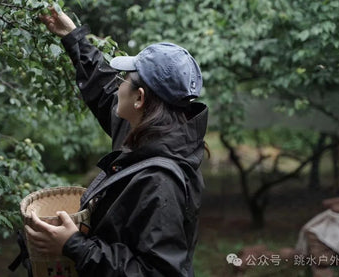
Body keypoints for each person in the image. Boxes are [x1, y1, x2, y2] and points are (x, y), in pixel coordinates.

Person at [25, 6, 209, 277]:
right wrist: (72, 36)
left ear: (139, 98)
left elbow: (156, 272)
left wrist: (74, 247)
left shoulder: (160, 182)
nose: (118, 84)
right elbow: (103, 89)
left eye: (124, 78)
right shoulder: (147, 133)